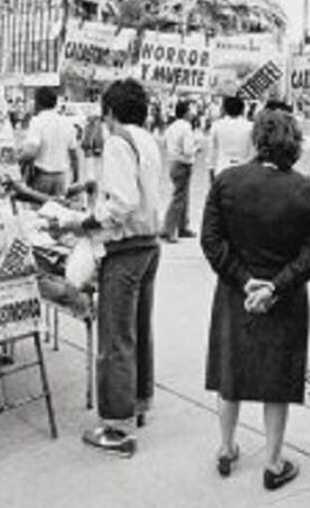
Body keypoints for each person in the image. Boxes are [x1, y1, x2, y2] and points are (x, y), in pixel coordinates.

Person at [201, 109, 310, 490]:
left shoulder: (226, 181)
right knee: (278, 380)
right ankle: (273, 462)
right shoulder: (307, 191)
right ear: (295, 144)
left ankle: (226, 448)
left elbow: (211, 241)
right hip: (284, 298)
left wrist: (244, 281)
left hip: (234, 292)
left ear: (257, 139)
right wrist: (274, 286)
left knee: (230, 371)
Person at [62, 78, 163, 457]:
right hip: (148, 244)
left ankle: (118, 428)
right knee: (138, 329)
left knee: (115, 337)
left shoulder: (118, 141)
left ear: (110, 112)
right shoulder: (146, 139)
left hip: (125, 248)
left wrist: (84, 223)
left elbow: (122, 202)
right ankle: (138, 402)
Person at [20, 87, 81, 197]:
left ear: (38, 103)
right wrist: (76, 177)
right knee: (57, 207)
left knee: (39, 206)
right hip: (61, 178)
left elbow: (30, 153)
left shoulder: (37, 121)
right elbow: (74, 156)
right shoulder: (66, 122)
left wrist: (16, 159)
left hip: (41, 177)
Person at [162, 99, 200, 242]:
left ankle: (183, 226)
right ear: (185, 113)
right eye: (190, 110)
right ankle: (169, 229)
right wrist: (197, 148)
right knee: (179, 198)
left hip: (173, 162)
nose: (193, 113)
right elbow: (188, 150)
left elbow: (165, 144)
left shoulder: (171, 127)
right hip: (183, 164)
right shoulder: (186, 127)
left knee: (183, 196)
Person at [207, 96, 254, 182]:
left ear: (224, 110)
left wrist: (211, 169)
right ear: (242, 110)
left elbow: (212, 149)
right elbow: (253, 150)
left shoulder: (216, 125)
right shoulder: (250, 127)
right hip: (244, 170)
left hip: (221, 169)